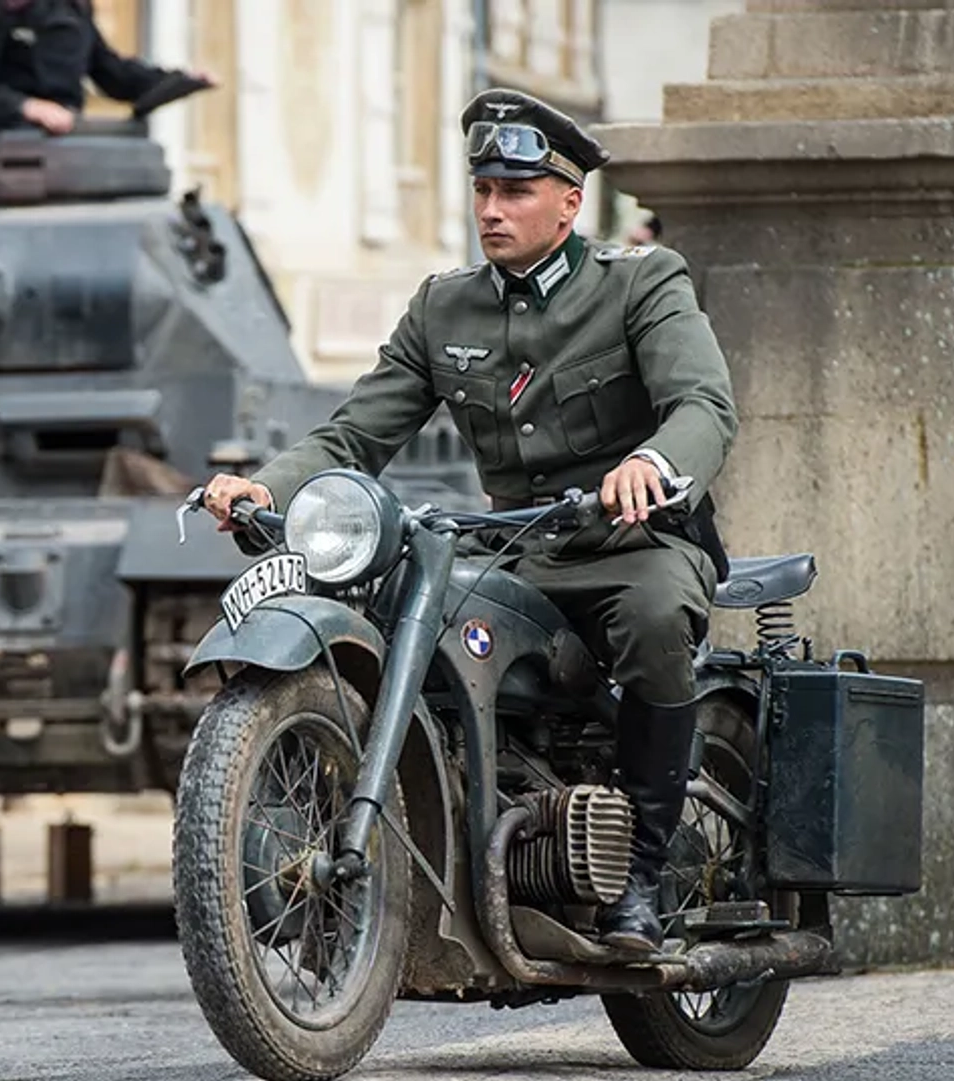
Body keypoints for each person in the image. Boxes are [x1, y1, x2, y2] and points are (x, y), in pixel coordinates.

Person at [199, 88, 739, 954]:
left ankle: (641, 870)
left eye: (517, 190)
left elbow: (704, 404)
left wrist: (651, 465)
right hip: (515, 551)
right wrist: (270, 488)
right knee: (395, 605)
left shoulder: (640, 284)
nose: (492, 208)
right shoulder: (444, 308)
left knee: (651, 619)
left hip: (631, 544)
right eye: (483, 188)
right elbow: (355, 432)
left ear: (570, 202)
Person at [0, 0, 212, 134]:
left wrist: (176, 81)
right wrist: (27, 106)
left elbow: (110, 73)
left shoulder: (74, 8)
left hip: (67, 146)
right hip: (7, 146)